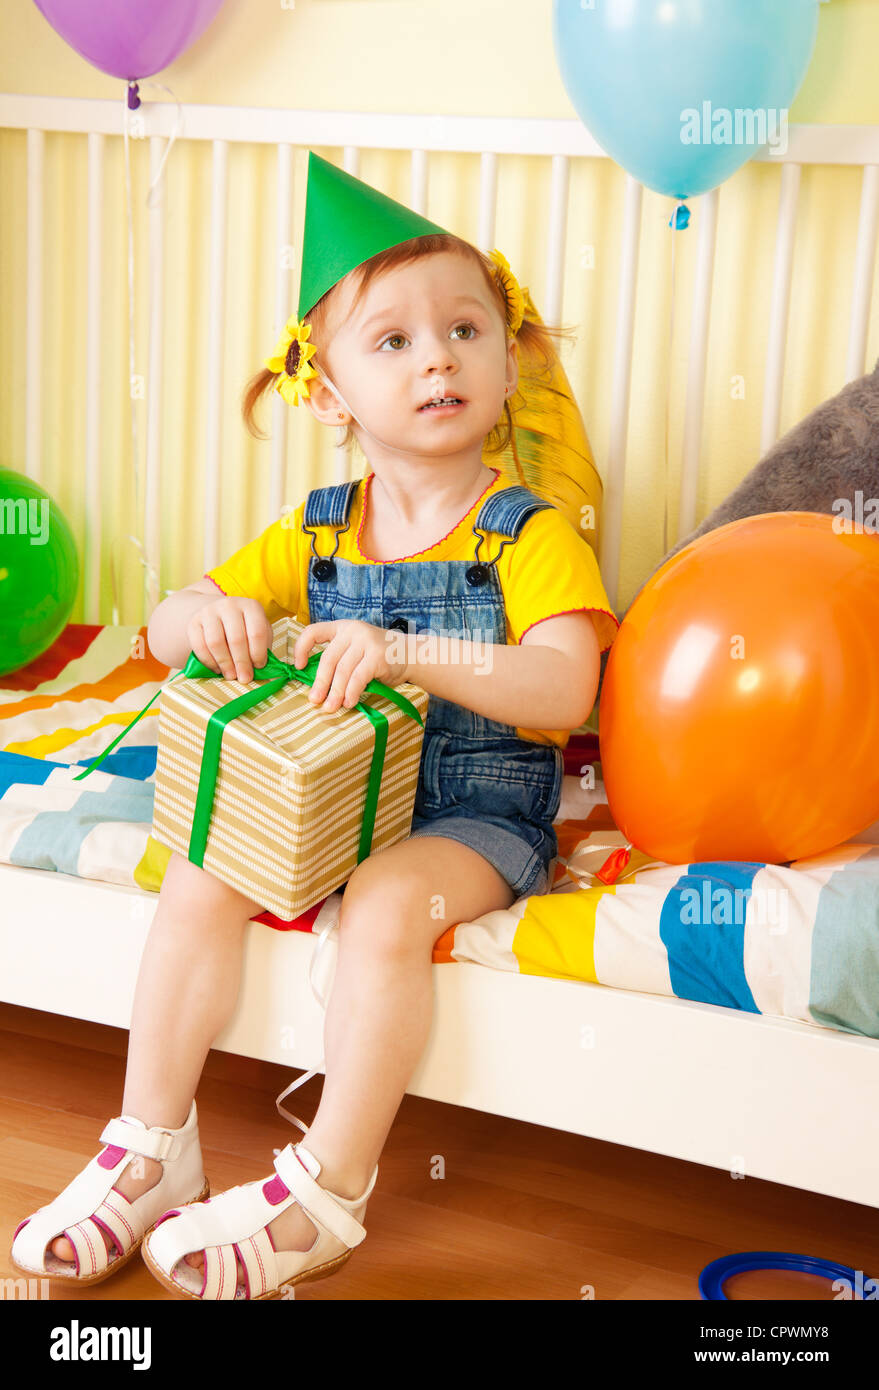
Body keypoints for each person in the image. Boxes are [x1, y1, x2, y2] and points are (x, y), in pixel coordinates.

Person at [11, 152, 620, 1300]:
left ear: (505, 355)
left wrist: (407, 649)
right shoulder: (319, 527)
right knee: (201, 870)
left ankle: (329, 1190)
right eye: (391, 340)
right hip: (331, 802)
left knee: (390, 901)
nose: (436, 354)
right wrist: (218, 614)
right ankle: (152, 1141)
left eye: (463, 328)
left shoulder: (534, 534)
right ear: (330, 394)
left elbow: (562, 692)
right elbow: (166, 617)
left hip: (469, 812)